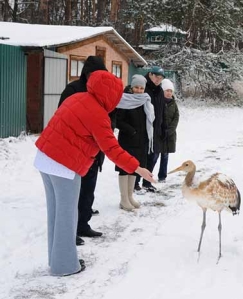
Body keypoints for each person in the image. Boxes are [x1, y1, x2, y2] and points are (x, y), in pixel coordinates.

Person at [34, 70, 155, 276]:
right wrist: (138, 168)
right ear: (109, 94)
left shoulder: (77, 98)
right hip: (63, 165)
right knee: (67, 215)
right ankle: (64, 265)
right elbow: (112, 149)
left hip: (45, 157)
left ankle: (58, 259)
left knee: (56, 213)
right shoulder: (98, 114)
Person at [58, 56, 112, 246]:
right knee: (72, 195)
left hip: (95, 152)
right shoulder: (73, 90)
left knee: (88, 191)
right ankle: (69, 231)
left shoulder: (104, 92)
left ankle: (83, 225)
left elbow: (109, 118)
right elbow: (63, 117)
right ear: (85, 74)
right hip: (75, 152)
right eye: (91, 74)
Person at [115, 74, 155, 211]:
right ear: (132, 88)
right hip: (127, 140)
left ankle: (130, 196)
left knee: (134, 168)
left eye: (141, 88)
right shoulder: (124, 100)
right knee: (124, 169)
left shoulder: (146, 101)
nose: (139, 90)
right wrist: (131, 131)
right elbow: (118, 121)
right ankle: (123, 199)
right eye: (136, 87)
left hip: (141, 141)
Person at [134, 66, 166, 193]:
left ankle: (147, 182)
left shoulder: (160, 91)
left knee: (153, 156)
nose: (158, 80)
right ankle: (135, 182)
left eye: (161, 78)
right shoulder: (144, 88)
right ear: (150, 75)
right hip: (144, 129)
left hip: (156, 130)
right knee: (141, 157)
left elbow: (163, 111)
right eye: (156, 77)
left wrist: (164, 128)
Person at [158, 79, 180, 182]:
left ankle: (162, 176)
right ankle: (147, 178)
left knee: (165, 157)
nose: (169, 93)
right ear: (163, 91)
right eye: (167, 90)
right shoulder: (158, 101)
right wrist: (161, 130)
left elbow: (176, 118)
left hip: (169, 135)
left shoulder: (173, 103)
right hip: (159, 134)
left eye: (171, 91)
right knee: (154, 156)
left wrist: (170, 131)